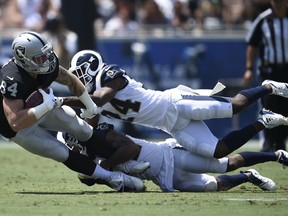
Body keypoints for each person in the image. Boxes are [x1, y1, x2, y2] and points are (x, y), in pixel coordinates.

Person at [61, 50, 288, 160]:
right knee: (218, 151)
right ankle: (263, 122)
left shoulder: (108, 75)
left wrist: (59, 101)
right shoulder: (91, 97)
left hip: (176, 104)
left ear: (91, 67)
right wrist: (78, 142)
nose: (79, 80)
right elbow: (88, 125)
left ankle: (268, 87)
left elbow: (99, 100)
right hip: (172, 126)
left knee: (235, 106)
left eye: (80, 74)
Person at [0, 31, 146, 192]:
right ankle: (111, 178)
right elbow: (15, 122)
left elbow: (70, 79)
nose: (45, 60)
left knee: (80, 126)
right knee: (59, 152)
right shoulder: (12, 79)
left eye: (45, 54)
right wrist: (45, 106)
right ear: (24, 59)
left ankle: (118, 162)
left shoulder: (47, 64)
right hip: (20, 128)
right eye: (38, 58)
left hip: (43, 107)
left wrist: (89, 105)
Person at [62, 115, 288, 192]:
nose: (74, 150)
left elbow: (131, 149)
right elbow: (104, 179)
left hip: (168, 155)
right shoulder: (87, 160)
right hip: (163, 177)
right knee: (213, 186)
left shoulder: (102, 135)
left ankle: (275, 154)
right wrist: (95, 176)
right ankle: (250, 176)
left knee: (221, 164)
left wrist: (109, 165)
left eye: (73, 145)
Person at [242, 0, 288, 152]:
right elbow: (252, 44)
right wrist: (249, 68)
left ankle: (281, 143)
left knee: (286, 107)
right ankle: (268, 143)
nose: (279, 4)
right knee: (269, 106)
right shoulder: (263, 19)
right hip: (269, 70)